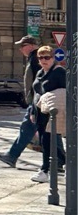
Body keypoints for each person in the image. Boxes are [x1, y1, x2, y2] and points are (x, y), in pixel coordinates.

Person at [0, 36, 41, 167]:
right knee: (45, 131)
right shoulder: (33, 58)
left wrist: (34, 102)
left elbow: (38, 82)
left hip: (37, 101)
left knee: (28, 128)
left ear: (31, 45)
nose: (20, 49)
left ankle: (12, 155)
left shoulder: (36, 58)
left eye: (23, 46)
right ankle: (60, 160)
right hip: (38, 100)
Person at [31, 45, 66, 183]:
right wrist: (32, 111)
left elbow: (65, 92)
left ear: (53, 58)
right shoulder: (40, 72)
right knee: (46, 142)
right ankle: (53, 167)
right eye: (40, 58)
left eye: (47, 57)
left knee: (49, 141)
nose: (43, 60)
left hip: (54, 113)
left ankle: (46, 170)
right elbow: (36, 93)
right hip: (40, 112)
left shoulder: (59, 72)